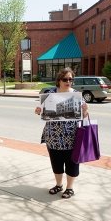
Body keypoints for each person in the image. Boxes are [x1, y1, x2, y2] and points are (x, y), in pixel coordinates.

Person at [35, 67, 88, 199]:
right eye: (65, 79)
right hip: (53, 135)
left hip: (72, 136)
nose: (68, 81)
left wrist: (85, 111)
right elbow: (41, 111)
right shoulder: (50, 93)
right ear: (59, 80)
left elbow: (85, 116)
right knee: (56, 162)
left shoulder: (76, 95)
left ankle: (69, 188)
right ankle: (58, 185)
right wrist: (38, 111)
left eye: (71, 79)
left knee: (72, 162)